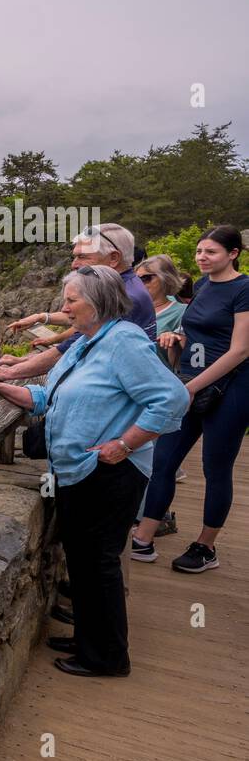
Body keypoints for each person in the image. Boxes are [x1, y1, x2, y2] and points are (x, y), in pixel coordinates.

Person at [0, 266, 187, 677]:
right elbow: (47, 395)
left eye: (71, 301)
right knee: (83, 560)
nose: (63, 308)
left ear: (98, 303)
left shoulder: (123, 342)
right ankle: (89, 637)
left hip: (109, 472)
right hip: (81, 470)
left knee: (99, 563)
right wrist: (0, 385)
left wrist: (124, 445)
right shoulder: (89, 341)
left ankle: (106, 657)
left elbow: (171, 399)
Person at [132, 225, 249, 573]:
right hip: (191, 382)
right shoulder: (202, 286)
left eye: (211, 252)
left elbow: (241, 349)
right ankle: (143, 539)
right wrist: (175, 335)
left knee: (215, 467)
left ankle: (205, 546)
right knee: (163, 460)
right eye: (199, 252)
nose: (202, 258)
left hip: (234, 387)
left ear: (233, 254)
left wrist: (193, 385)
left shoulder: (244, 289)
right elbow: (197, 330)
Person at [0, 224, 156, 380]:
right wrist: (41, 317)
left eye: (82, 257)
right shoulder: (123, 286)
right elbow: (84, 315)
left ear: (113, 258)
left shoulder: (123, 298)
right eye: (75, 256)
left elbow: (70, 348)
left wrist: (7, 373)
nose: (74, 265)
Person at [137, 254, 187, 369]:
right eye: (136, 279)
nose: (139, 284)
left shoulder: (183, 312)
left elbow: (183, 360)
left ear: (166, 278)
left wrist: (173, 339)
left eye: (145, 278)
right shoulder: (128, 310)